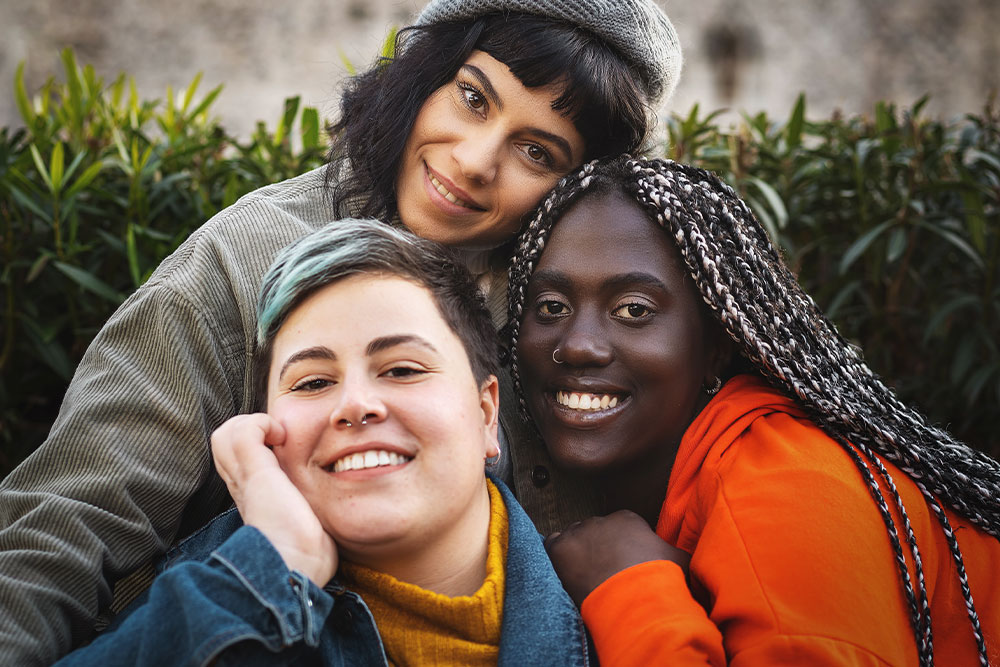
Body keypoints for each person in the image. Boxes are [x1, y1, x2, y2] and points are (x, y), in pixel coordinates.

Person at [0, 1, 681, 663]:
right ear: (425, 75)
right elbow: (64, 530)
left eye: (536, 150)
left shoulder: (567, 296)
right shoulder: (244, 260)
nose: (475, 160)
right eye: (473, 98)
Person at [505, 155, 1000, 664]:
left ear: (716, 346)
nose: (579, 345)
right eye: (551, 308)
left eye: (634, 310)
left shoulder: (795, 482)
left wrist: (627, 585)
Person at [54, 218, 589, 666]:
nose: (355, 404)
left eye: (402, 369)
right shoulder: (200, 604)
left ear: (485, 412)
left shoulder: (613, 620)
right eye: (312, 382)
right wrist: (278, 564)